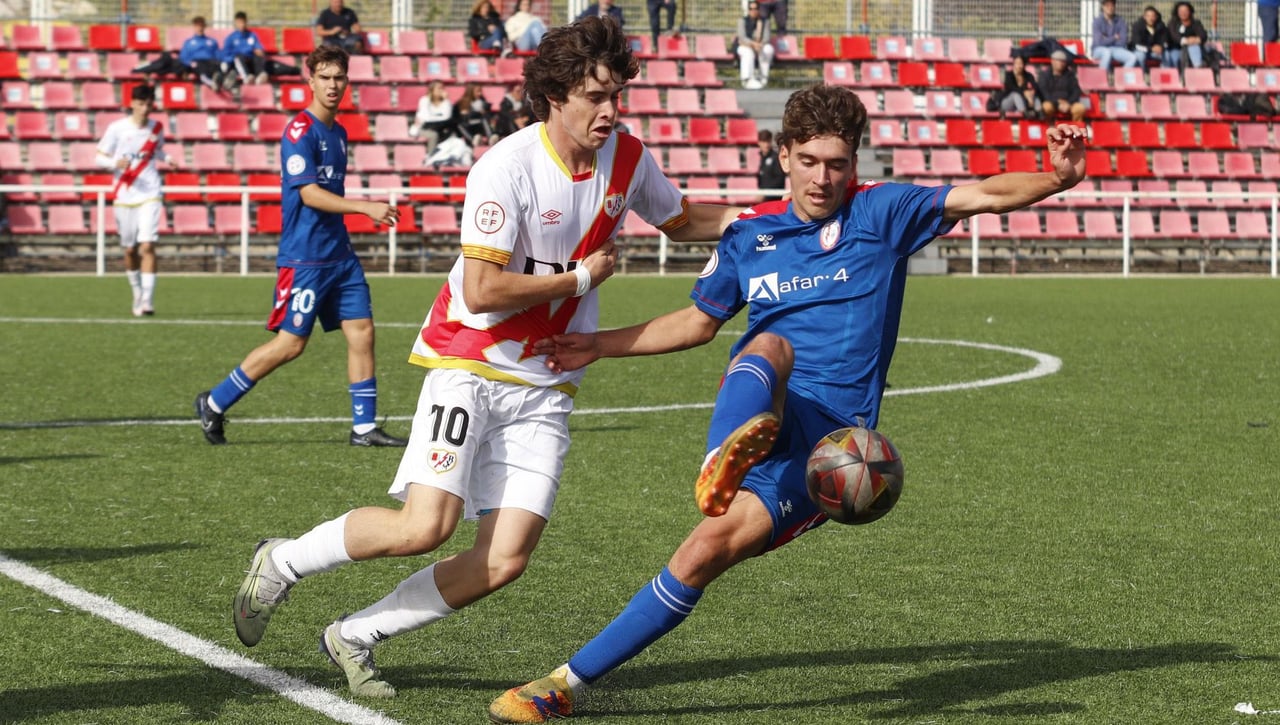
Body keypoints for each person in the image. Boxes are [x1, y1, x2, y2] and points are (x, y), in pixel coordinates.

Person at [487, 83, 1087, 724]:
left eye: (836, 164)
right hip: (768, 396)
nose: (822, 178)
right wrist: (597, 345)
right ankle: (725, 456)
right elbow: (696, 322)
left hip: (834, 448)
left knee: (700, 554)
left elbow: (985, 195)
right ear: (783, 155)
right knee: (770, 344)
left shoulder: (882, 212)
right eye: (809, 162)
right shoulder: (750, 235)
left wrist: (1055, 177)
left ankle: (561, 684)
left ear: (854, 164)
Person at [227, 16, 744, 699]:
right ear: (555, 95)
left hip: (548, 382)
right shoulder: (506, 166)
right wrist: (581, 279)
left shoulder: (627, 157)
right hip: (470, 359)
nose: (611, 109)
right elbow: (483, 288)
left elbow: (683, 222)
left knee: (504, 559)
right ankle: (284, 560)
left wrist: (763, 219)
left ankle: (353, 634)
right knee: (425, 525)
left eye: (618, 93)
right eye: (596, 96)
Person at [194, 45, 406, 448]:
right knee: (291, 345)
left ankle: (363, 429)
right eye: (324, 77)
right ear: (309, 80)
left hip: (339, 256)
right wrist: (364, 207)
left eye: (338, 78)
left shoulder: (339, 133)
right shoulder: (299, 132)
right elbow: (308, 194)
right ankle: (215, 401)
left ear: (347, 81)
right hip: (305, 258)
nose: (332, 85)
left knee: (362, 332)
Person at [95, 84, 178, 317]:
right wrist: (114, 164)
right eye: (141, 104)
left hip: (150, 192)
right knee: (130, 249)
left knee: (148, 245)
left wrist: (168, 158)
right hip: (124, 193)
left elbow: (157, 151)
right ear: (132, 104)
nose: (145, 108)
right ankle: (137, 293)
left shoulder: (156, 128)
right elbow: (99, 156)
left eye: (149, 104)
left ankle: (148, 301)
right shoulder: (117, 129)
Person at [132, 16, 221, 89]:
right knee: (164, 62)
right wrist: (190, 63)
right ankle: (143, 67)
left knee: (165, 64)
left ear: (204, 26)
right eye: (197, 26)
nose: (200, 28)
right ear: (194, 27)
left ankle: (217, 80)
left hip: (208, 64)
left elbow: (218, 54)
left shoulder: (212, 42)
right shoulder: (189, 42)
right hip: (194, 65)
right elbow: (184, 57)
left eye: (201, 25)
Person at [220, 11, 269, 89]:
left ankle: (260, 75)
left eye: (243, 22)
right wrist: (229, 61)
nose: (242, 25)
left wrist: (260, 51)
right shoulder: (231, 38)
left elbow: (259, 47)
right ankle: (246, 77)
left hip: (250, 61)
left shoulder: (252, 35)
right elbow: (226, 54)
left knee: (258, 56)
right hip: (238, 62)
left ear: (246, 22)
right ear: (236, 23)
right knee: (238, 57)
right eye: (239, 22)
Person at [1038, 49, 1086, 122]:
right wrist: (1057, 103)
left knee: (1080, 108)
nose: (1061, 63)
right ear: (1052, 61)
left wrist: (1069, 103)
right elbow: (1044, 93)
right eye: (1059, 61)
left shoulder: (1070, 75)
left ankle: (1075, 130)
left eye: (1063, 61)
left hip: (1068, 102)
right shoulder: (1044, 75)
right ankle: (1049, 126)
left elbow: (1076, 91)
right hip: (1052, 102)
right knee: (1046, 107)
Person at [409, 80, 455, 155]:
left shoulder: (446, 102)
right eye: (439, 88)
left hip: (439, 128)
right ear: (432, 90)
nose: (441, 91)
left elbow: (447, 116)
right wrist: (440, 116)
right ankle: (430, 157)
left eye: (443, 88)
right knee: (433, 135)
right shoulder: (424, 100)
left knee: (452, 134)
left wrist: (446, 100)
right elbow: (427, 118)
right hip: (423, 128)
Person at [736, 1, 774, 90]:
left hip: (760, 45)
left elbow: (767, 37)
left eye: (756, 8)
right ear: (748, 10)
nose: (753, 11)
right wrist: (753, 44)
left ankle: (763, 77)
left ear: (759, 10)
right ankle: (747, 79)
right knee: (748, 52)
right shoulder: (742, 21)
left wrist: (760, 44)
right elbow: (742, 37)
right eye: (751, 9)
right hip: (745, 45)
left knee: (768, 49)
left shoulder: (765, 21)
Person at [1091, 0, 1138, 69]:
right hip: (1098, 50)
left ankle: (1121, 78)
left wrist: (1106, 39)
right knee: (1106, 53)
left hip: (1116, 49)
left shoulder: (1121, 21)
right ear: (1103, 7)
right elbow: (1098, 42)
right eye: (1107, 5)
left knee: (1133, 57)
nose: (1110, 8)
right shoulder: (1097, 22)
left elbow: (1123, 42)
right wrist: (1114, 38)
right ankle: (1101, 78)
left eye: (1112, 5)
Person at [452, 82, 496, 147]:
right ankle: (473, 140)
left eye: (480, 91)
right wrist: (477, 113)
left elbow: (486, 115)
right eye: (477, 91)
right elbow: (462, 117)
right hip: (468, 126)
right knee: (460, 125)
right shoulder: (462, 103)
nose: (480, 93)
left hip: (480, 125)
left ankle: (491, 138)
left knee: (484, 120)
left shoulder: (483, 102)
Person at [1167, 1, 1207, 69]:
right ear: (1177, 12)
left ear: (1190, 11)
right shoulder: (1173, 23)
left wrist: (1197, 39)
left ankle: (1198, 68)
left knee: (1193, 46)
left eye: (1185, 10)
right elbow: (1173, 36)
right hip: (1177, 48)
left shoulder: (1196, 23)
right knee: (1174, 57)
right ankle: (1178, 76)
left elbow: (1203, 35)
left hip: (1194, 48)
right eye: (1181, 11)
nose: (1183, 13)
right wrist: (1185, 41)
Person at [755, 129, 785, 202]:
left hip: (774, 198)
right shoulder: (758, 158)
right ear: (759, 143)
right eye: (763, 141)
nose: (766, 145)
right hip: (763, 198)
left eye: (768, 141)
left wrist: (765, 193)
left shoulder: (776, 158)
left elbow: (779, 180)